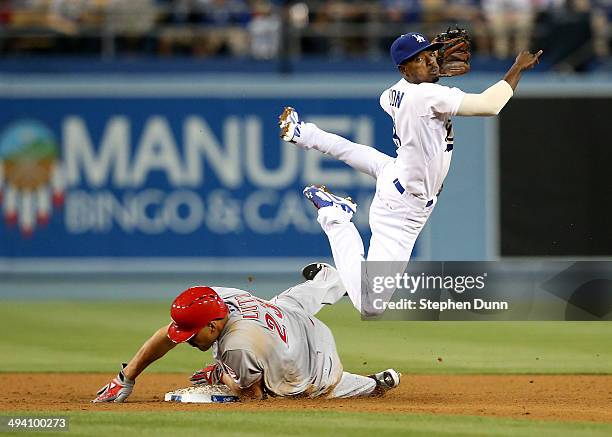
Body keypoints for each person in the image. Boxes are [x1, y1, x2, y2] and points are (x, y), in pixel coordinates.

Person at [278, 32, 542, 314]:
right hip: (403, 207)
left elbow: (409, 94)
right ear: (404, 69)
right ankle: (334, 216)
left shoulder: (391, 94)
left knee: (356, 152)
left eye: (431, 54)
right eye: (420, 59)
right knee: (371, 305)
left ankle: (302, 132)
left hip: (398, 172)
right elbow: (490, 105)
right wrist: (516, 69)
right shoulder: (426, 95)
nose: (431, 61)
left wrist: (429, 73)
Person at [92, 263, 400, 402]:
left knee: (315, 387)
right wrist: (126, 377)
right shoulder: (217, 297)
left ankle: (371, 385)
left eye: (191, 334)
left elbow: (252, 394)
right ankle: (333, 278)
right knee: (290, 300)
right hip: (292, 320)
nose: (186, 340)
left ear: (212, 326)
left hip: (313, 366)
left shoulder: (237, 347)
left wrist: (219, 374)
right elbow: (167, 335)